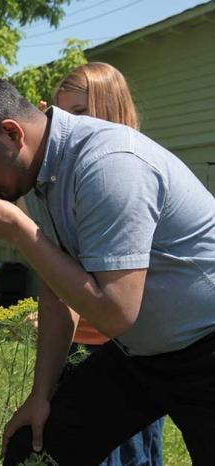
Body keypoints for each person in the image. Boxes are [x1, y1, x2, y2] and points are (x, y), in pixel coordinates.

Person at [0, 69, 215, 465]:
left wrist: (21, 233)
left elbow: (116, 313)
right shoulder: (45, 173)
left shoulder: (108, 165)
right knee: (33, 447)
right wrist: (39, 397)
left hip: (206, 350)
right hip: (142, 355)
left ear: (11, 135)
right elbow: (58, 294)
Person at [39, 62, 164, 466]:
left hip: (130, 358)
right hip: (78, 348)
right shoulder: (66, 182)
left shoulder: (128, 173)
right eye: (61, 115)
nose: (68, 127)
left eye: (79, 113)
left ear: (111, 110)